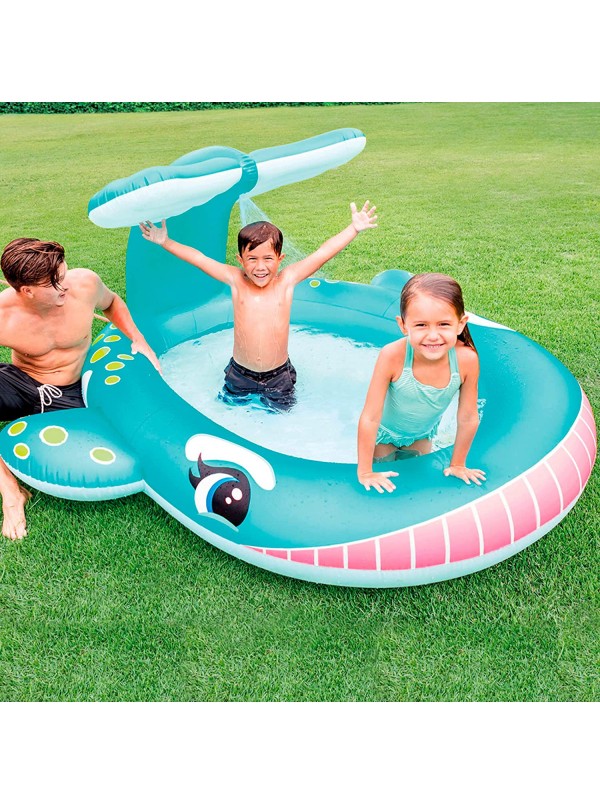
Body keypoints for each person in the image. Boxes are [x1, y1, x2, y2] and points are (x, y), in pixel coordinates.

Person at [139, 201, 377, 409]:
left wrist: (353, 228)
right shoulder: (236, 280)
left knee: (284, 417)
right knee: (229, 414)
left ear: (280, 259)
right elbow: (200, 259)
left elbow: (322, 253)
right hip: (240, 373)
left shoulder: (287, 281)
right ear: (240, 260)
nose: (260, 267)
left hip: (278, 375)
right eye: (252, 259)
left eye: (267, 259)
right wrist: (165, 242)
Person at [0, 237, 160, 540]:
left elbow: (112, 303)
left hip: (73, 390)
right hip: (24, 381)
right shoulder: (4, 315)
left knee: (125, 435)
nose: (65, 288)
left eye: (63, 275)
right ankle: (10, 492)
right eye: (54, 285)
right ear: (27, 291)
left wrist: (137, 338)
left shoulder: (84, 284)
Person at [357, 272, 486, 493]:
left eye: (444, 324)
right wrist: (365, 471)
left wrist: (457, 464)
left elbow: (467, 417)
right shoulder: (392, 355)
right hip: (383, 436)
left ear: (460, 324)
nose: (433, 335)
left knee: (416, 484)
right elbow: (370, 416)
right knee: (385, 481)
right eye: (421, 325)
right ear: (403, 325)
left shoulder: (466, 360)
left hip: (421, 435)